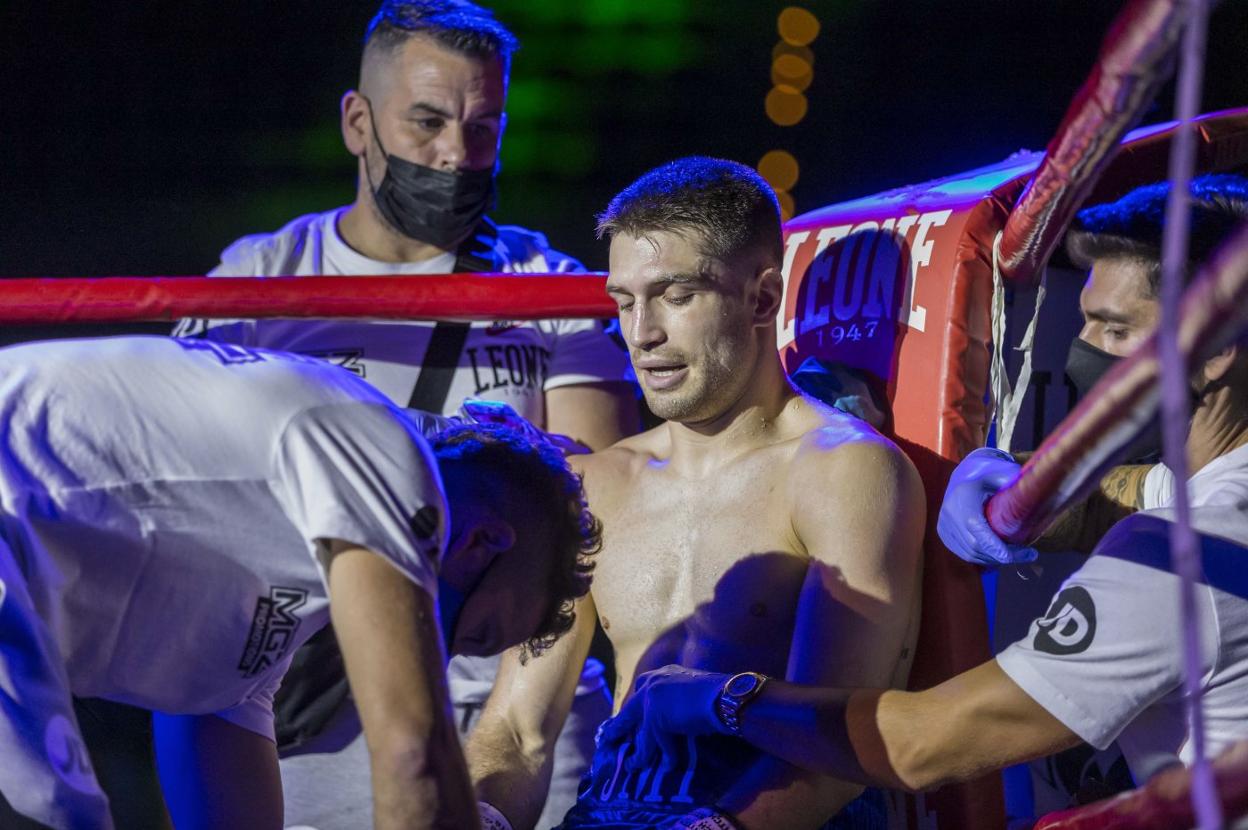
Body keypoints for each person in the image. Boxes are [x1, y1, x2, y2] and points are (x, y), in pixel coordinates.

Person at [600, 177, 1248, 816]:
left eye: (1114, 331)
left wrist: (716, 697)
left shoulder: (1182, 556)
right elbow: (1138, 494)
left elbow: (919, 747)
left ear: (1215, 351)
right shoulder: (1208, 501)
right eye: (1084, 324)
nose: (1082, 354)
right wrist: (1013, 477)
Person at [167, 3, 634, 826]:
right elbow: (192, 521)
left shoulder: (544, 284)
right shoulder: (259, 283)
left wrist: (512, 740)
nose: (455, 154)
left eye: (483, 127)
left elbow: (591, 529)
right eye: (427, 122)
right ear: (358, 121)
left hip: (505, 707)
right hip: (306, 721)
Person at [465, 156, 926, 830]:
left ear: (762, 298)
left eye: (676, 295)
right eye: (624, 302)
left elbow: (835, 748)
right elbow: (514, 730)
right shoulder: (594, 486)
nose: (642, 333)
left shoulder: (843, 471)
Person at [0, 335, 601, 830]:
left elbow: (225, 769)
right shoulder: (384, 457)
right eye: (478, 632)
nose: (445, 659)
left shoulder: (264, 618)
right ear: (481, 542)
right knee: (55, 815)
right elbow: (412, 756)